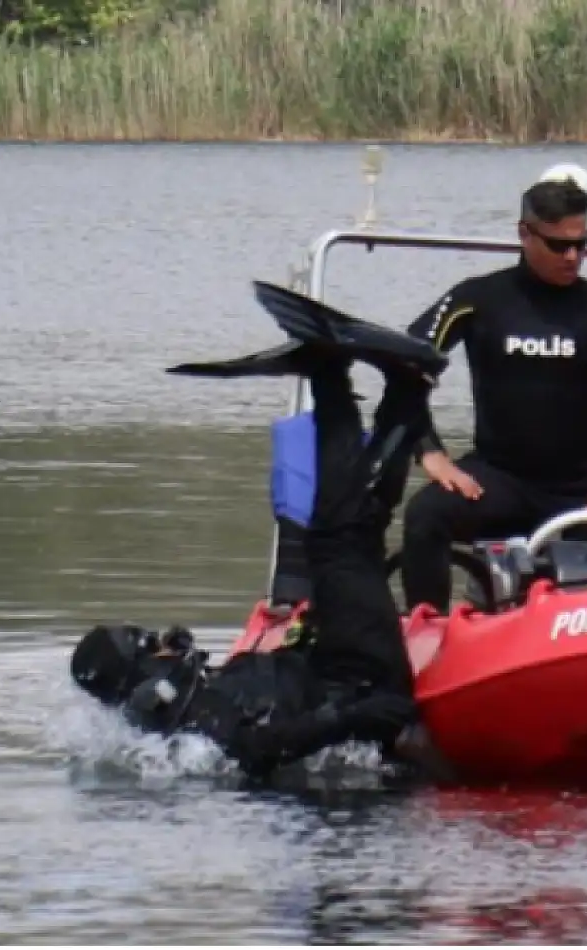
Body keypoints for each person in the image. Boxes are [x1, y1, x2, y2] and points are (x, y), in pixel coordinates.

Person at [69, 282, 453, 781]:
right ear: (140, 677)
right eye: (147, 642)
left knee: (350, 532)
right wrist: (355, 715)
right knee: (338, 540)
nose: (165, 638)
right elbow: (258, 747)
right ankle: (347, 376)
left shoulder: (188, 704)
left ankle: (374, 381)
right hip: (360, 684)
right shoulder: (197, 724)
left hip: (338, 663)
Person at [399, 164, 587, 616]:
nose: (572, 256)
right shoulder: (478, 298)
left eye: (581, 244)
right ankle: (425, 639)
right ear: (524, 234)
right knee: (424, 516)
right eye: (559, 245)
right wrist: (428, 450)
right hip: (499, 480)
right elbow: (404, 360)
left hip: (581, 490)